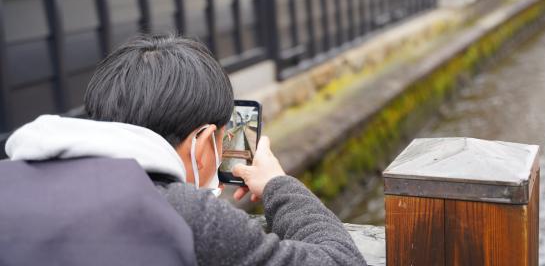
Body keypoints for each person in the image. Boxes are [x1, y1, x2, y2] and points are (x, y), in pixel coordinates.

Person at [4, 34, 367, 266]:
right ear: (204, 142)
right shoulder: (187, 215)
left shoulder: (11, 182)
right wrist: (276, 184)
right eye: (224, 138)